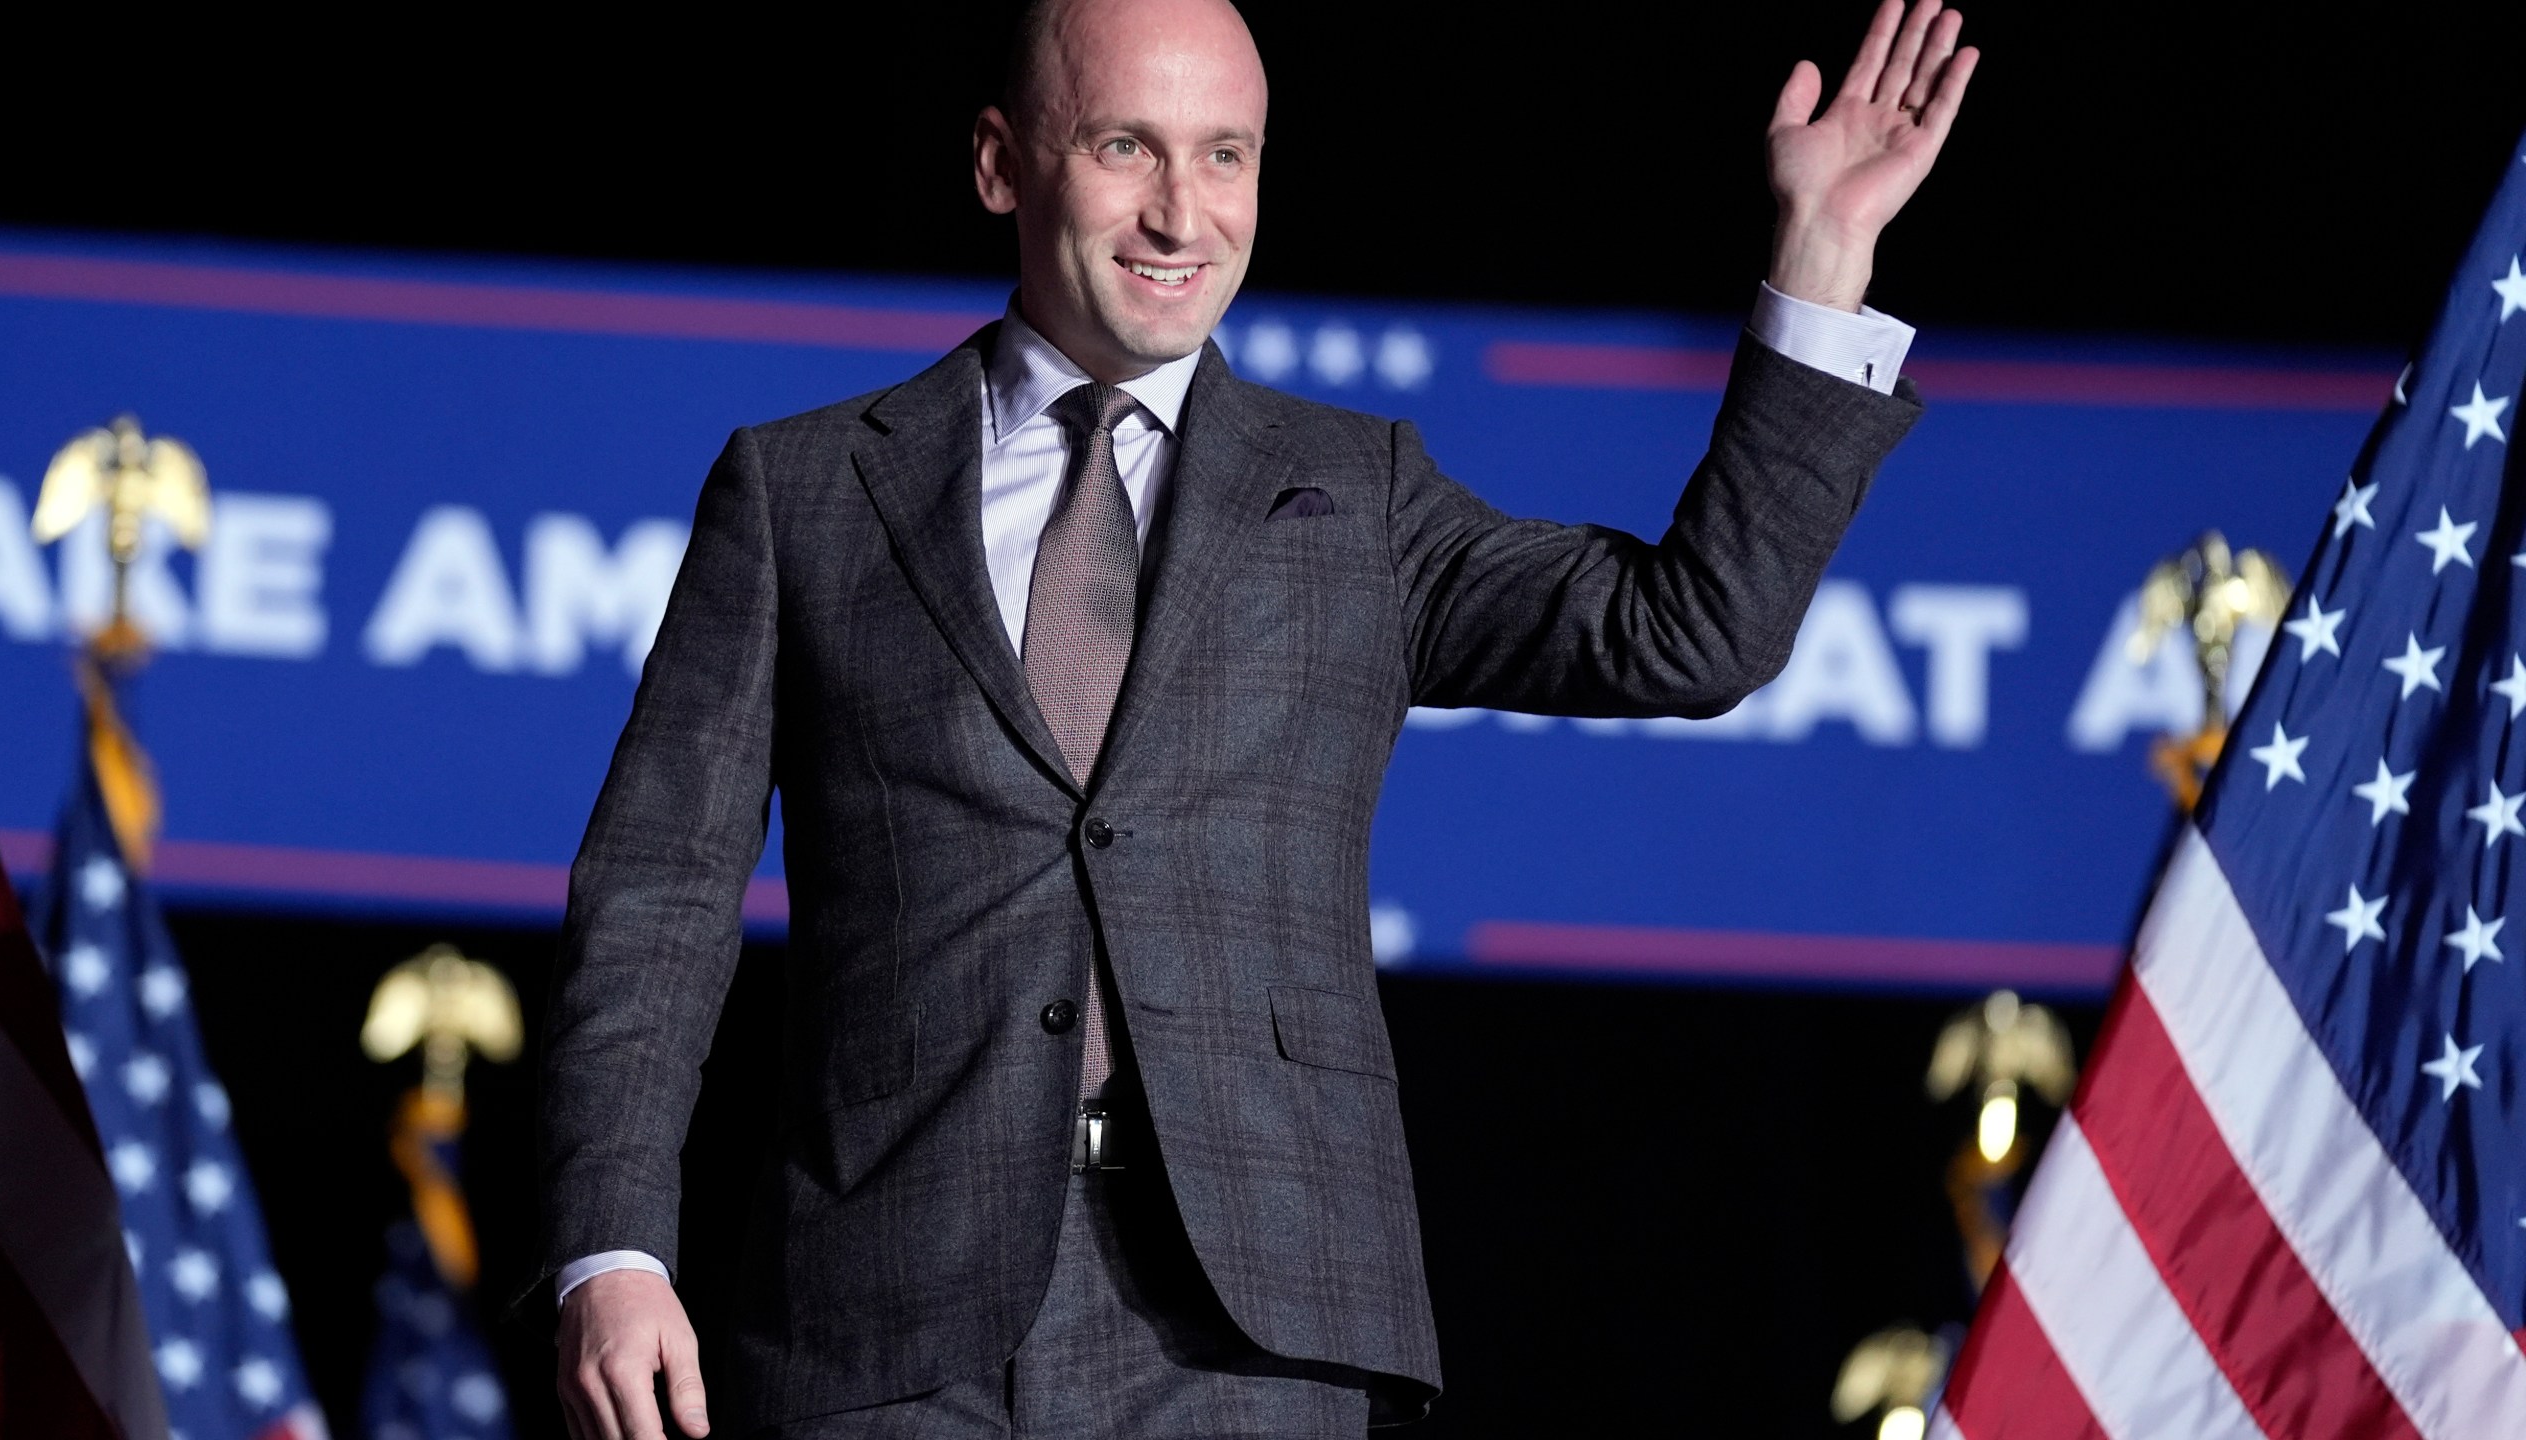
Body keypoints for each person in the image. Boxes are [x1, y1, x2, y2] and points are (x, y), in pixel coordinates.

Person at [538, 0, 1975, 1434]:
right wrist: (613, 1249)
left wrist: (1821, 266)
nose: (1183, 211)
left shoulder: (1362, 497)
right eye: (1126, 147)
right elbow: (659, 894)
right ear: (1000, 162)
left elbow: (1689, 633)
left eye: (1227, 157)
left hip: (1256, 1334)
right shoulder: (804, 494)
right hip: (888, 1324)